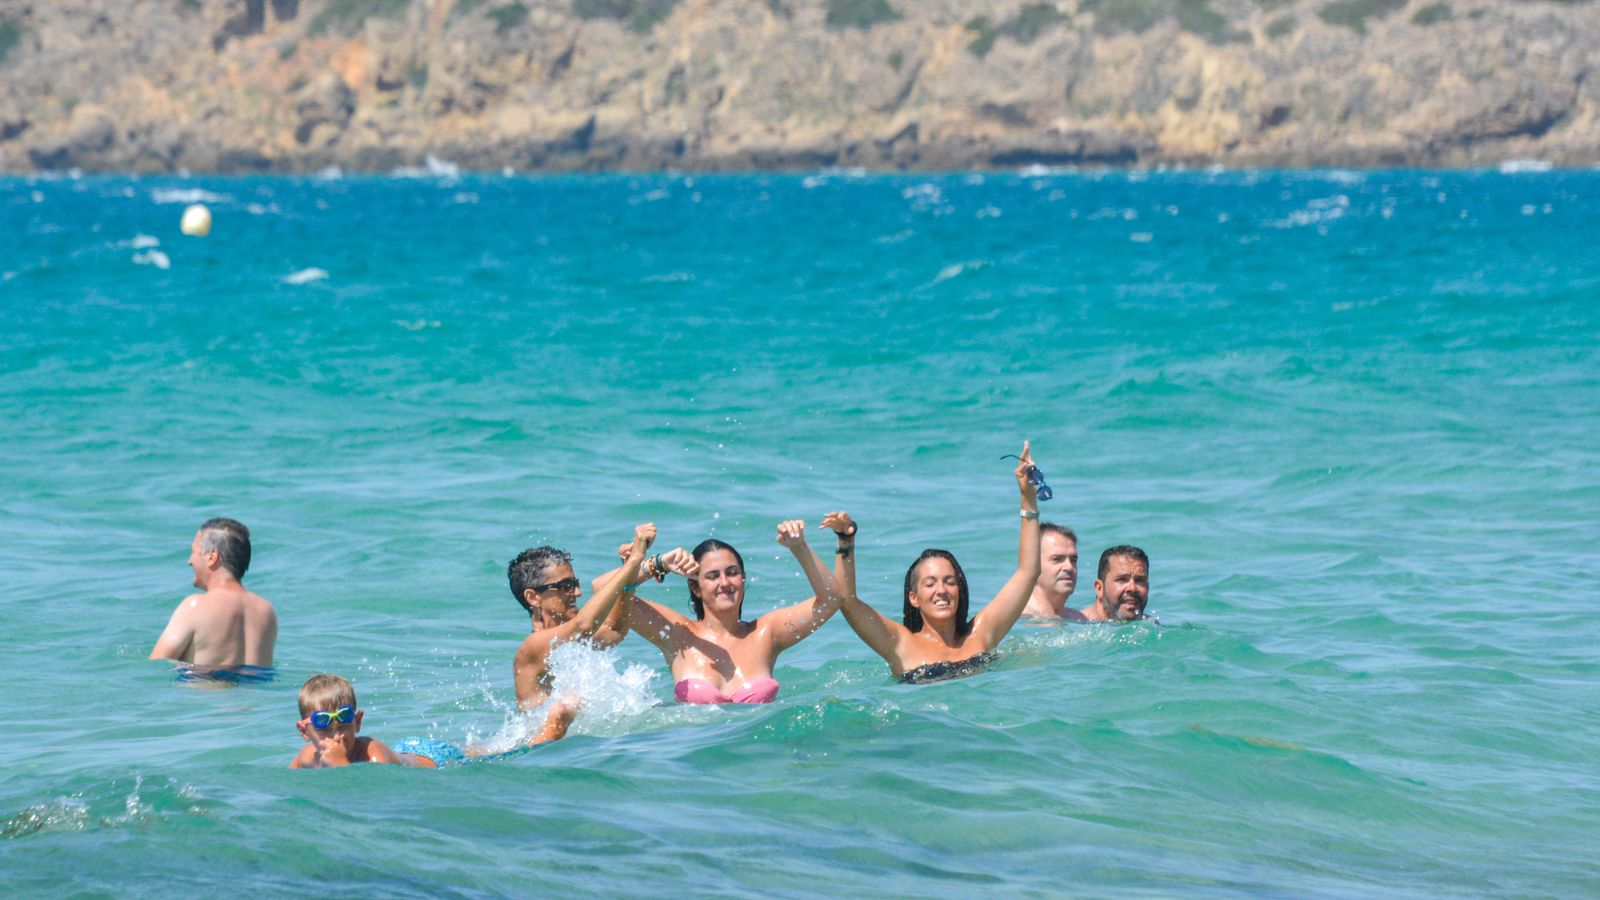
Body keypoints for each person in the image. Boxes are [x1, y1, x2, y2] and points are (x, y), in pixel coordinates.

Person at [834, 442, 1043, 683]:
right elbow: (847, 602)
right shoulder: (901, 644)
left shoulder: (980, 635)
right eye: (930, 583)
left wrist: (1028, 498)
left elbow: (1028, 572)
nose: (941, 590)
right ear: (914, 597)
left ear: (959, 589)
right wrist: (845, 540)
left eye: (949, 581)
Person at [616, 517, 848, 704]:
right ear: (695, 587)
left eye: (732, 572)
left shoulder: (766, 633)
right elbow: (607, 592)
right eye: (712, 576)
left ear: (743, 578)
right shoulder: (678, 635)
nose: (724, 582)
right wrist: (648, 564)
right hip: (691, 753)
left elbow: (831, 600)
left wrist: (800, 548)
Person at [509, 523, 693, 710]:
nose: (578, 593)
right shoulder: (532, 647)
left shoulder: (570, 642)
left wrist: (648, 568)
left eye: (575, 583)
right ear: (533, 597)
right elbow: (585, 625)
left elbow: (615, 629)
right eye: (566, 586)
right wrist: (635, 561)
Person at [289, 673, 575, 769]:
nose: (337, 731)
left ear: (359, 721)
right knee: (481, 748)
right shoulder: (305, 757)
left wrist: (340, 762)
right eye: (324, 722)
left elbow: (359, 788)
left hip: (434, 758)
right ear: (305, 730)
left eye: (345, 719)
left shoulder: (372, 754)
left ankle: (551, 730)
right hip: (406, 750)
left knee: (503, 756)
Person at [150, 518, 278, 669]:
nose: (189, 561)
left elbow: (155, 667)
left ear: (211, 557)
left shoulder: (195, 607)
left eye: (193, 552)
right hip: (257, 690)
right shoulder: (266, 611)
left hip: (207, 690)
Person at [1024, 523, 1088, 621]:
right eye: (1057, 559)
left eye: (1073, 560)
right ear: (1033, 565)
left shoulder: (1079, 619)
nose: (1069, 567)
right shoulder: (1017, 619)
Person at [1080, 545, 1150, 622]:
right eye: (1122, 580)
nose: (1132, 588)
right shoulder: (1079, 625)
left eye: (1139, 580)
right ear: (1099, 588)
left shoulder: (1150, 624)